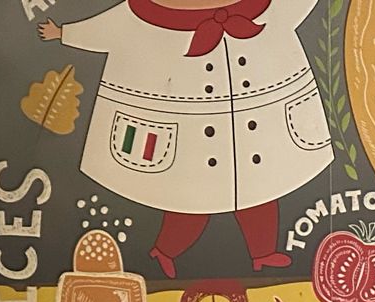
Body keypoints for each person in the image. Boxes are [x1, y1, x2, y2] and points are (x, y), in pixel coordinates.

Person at [41, 0, 334, 277]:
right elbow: (104, 30)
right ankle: (164, 252)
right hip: (189, 144)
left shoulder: (267, 7)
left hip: (257, 141)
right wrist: (63, 33)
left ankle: (263, 253)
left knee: (260, 195)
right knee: (188, 203)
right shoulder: (140, 16)